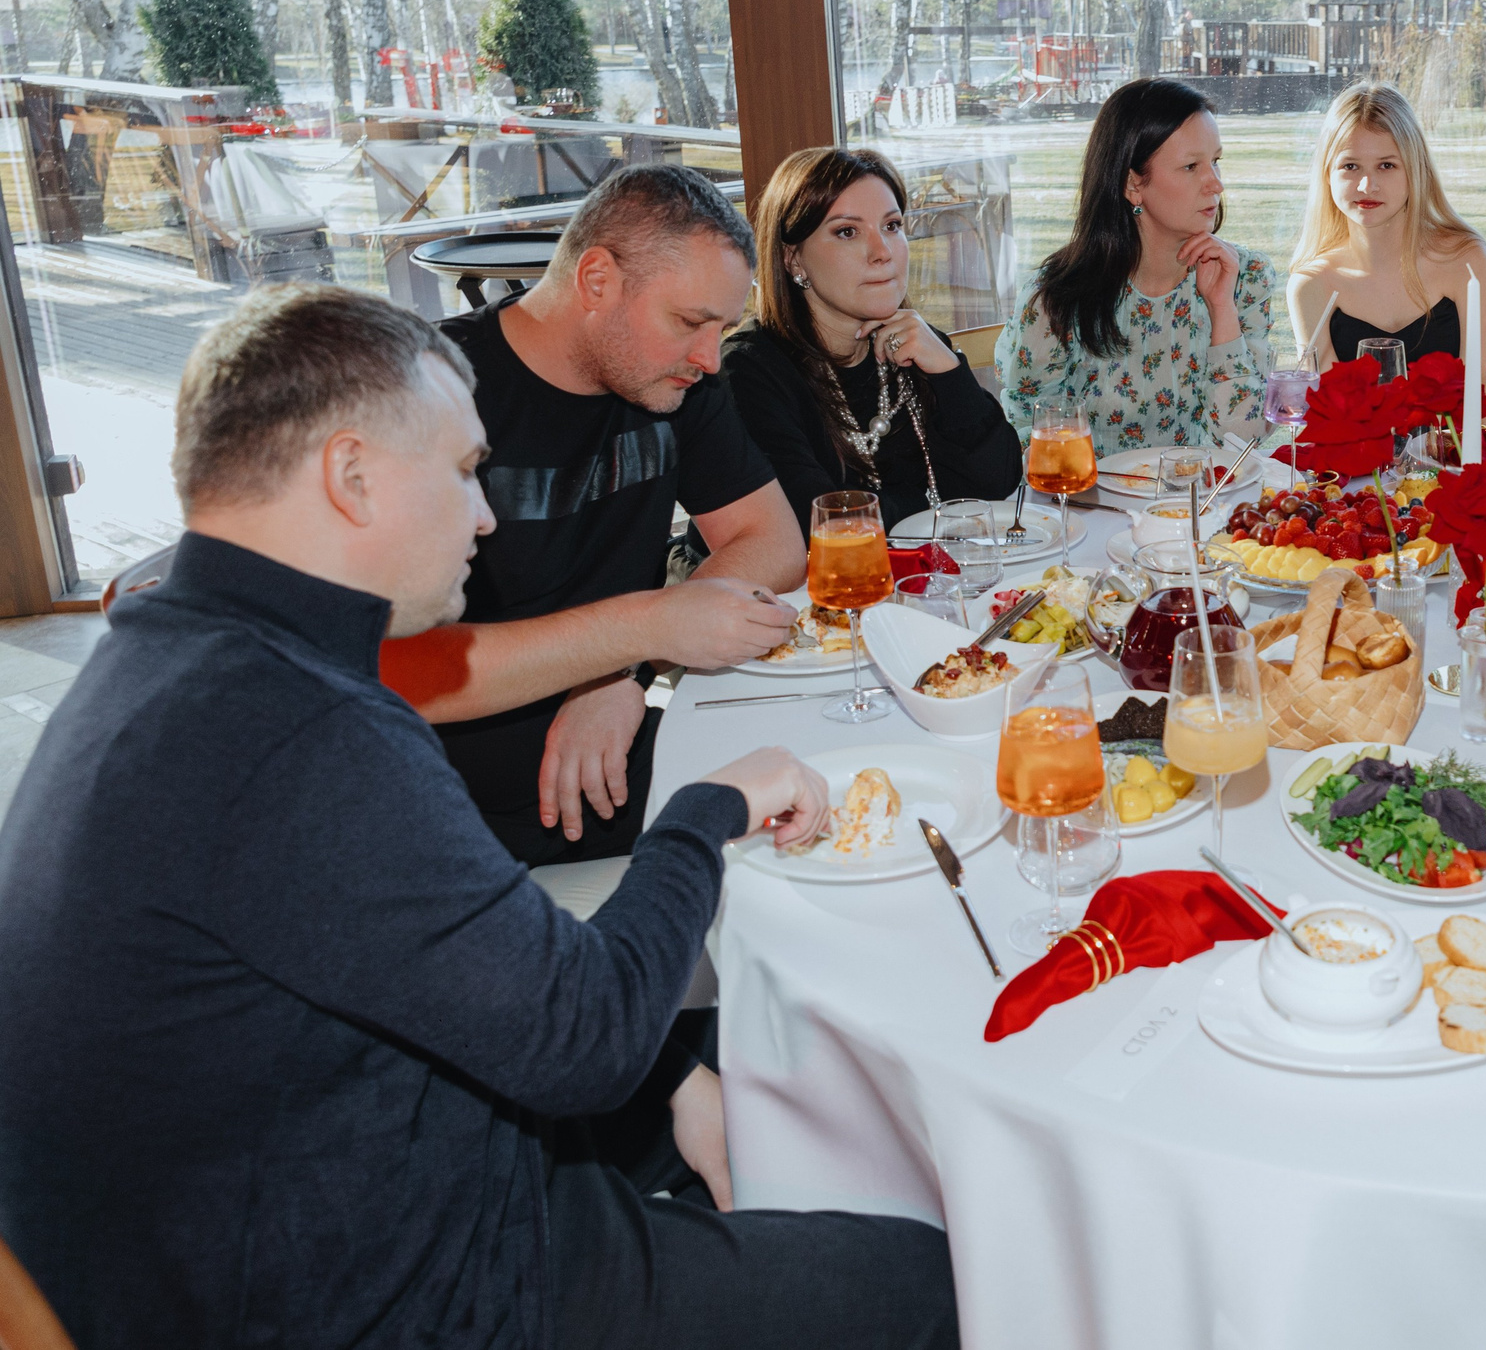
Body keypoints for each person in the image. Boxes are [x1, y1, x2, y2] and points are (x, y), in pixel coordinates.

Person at [0, 285, 960, 1350]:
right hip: (397, 1287)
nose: (487, 515)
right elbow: (587, 1036)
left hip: (336, 1164)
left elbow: (488, 967)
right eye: (464, 473)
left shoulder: (176, 658)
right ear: (351, 477)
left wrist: (674, 1082)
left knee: (778, 1060)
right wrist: (706, 809)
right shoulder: (302, 735)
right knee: (936, 1286)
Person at [381, 164, 805, 866]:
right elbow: (392, 665)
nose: (710, 357)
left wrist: (616, 673)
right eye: (690, 322)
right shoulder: (429, 388)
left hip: (616, 769)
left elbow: (774, 542)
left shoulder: (679, 380)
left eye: (723, 328)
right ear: (597, 280)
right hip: (440, 815)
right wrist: (635, 633)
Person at [720, 145, 1021, 534]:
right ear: (793, 258)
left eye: (892, 226)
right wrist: (934, 505)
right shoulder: (749, 370)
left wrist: (949, 372)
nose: (883, 252)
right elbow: (824, 526)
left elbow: (998, 482)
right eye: (847, 232)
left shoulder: (918, 343)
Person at [997, 76, 1275, 451]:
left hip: (1210, 491)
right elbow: (1028, 437)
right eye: (1191, 166)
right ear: (1133, 185)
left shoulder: (1245, 277)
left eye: (1215, 162)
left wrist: (1222, 308)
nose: (1216, 184)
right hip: (1091, 491)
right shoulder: (1056, 299)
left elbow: (1244, 443)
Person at [1287, 81, 1486, 370]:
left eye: (1386, 165)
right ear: (1327, 174)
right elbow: (1324, 396)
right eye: (1350, 166)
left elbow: (1483, 391)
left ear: (1416, 171)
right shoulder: (1310, 284)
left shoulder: (1466, 259)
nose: (1367, 186)